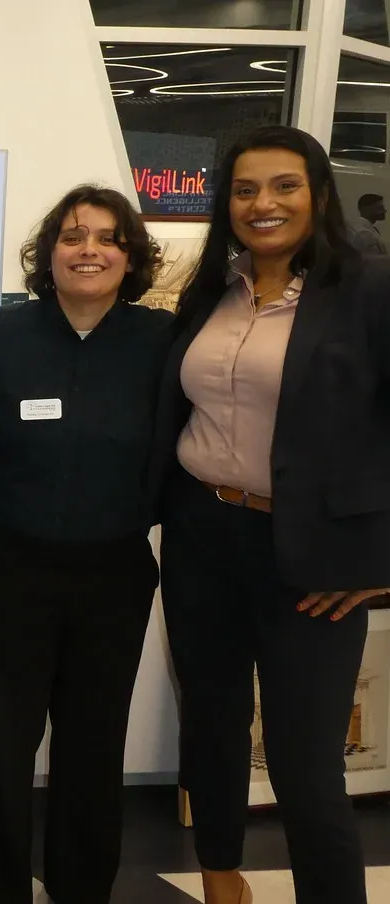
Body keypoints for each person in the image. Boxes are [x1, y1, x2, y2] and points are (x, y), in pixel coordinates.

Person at [148, 125, 390, 904]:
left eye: (285, 185)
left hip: (313, 556)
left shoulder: (369, 291)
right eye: (246, 189)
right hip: (202, 537)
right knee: (212, 727)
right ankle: (221, 881)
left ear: (318, 194)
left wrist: (383, 561)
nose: (264, 204)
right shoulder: (212, 292)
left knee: (304, 762)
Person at [0, 186, 172, 904]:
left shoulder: (162, 340)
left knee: (94, 740)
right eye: (74, 236)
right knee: (5, 740)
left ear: (130, 257)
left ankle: (82, 886)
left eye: (109, 238)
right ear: (49, 252)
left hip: (114, 571)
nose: (90, 250)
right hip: (14, 566)